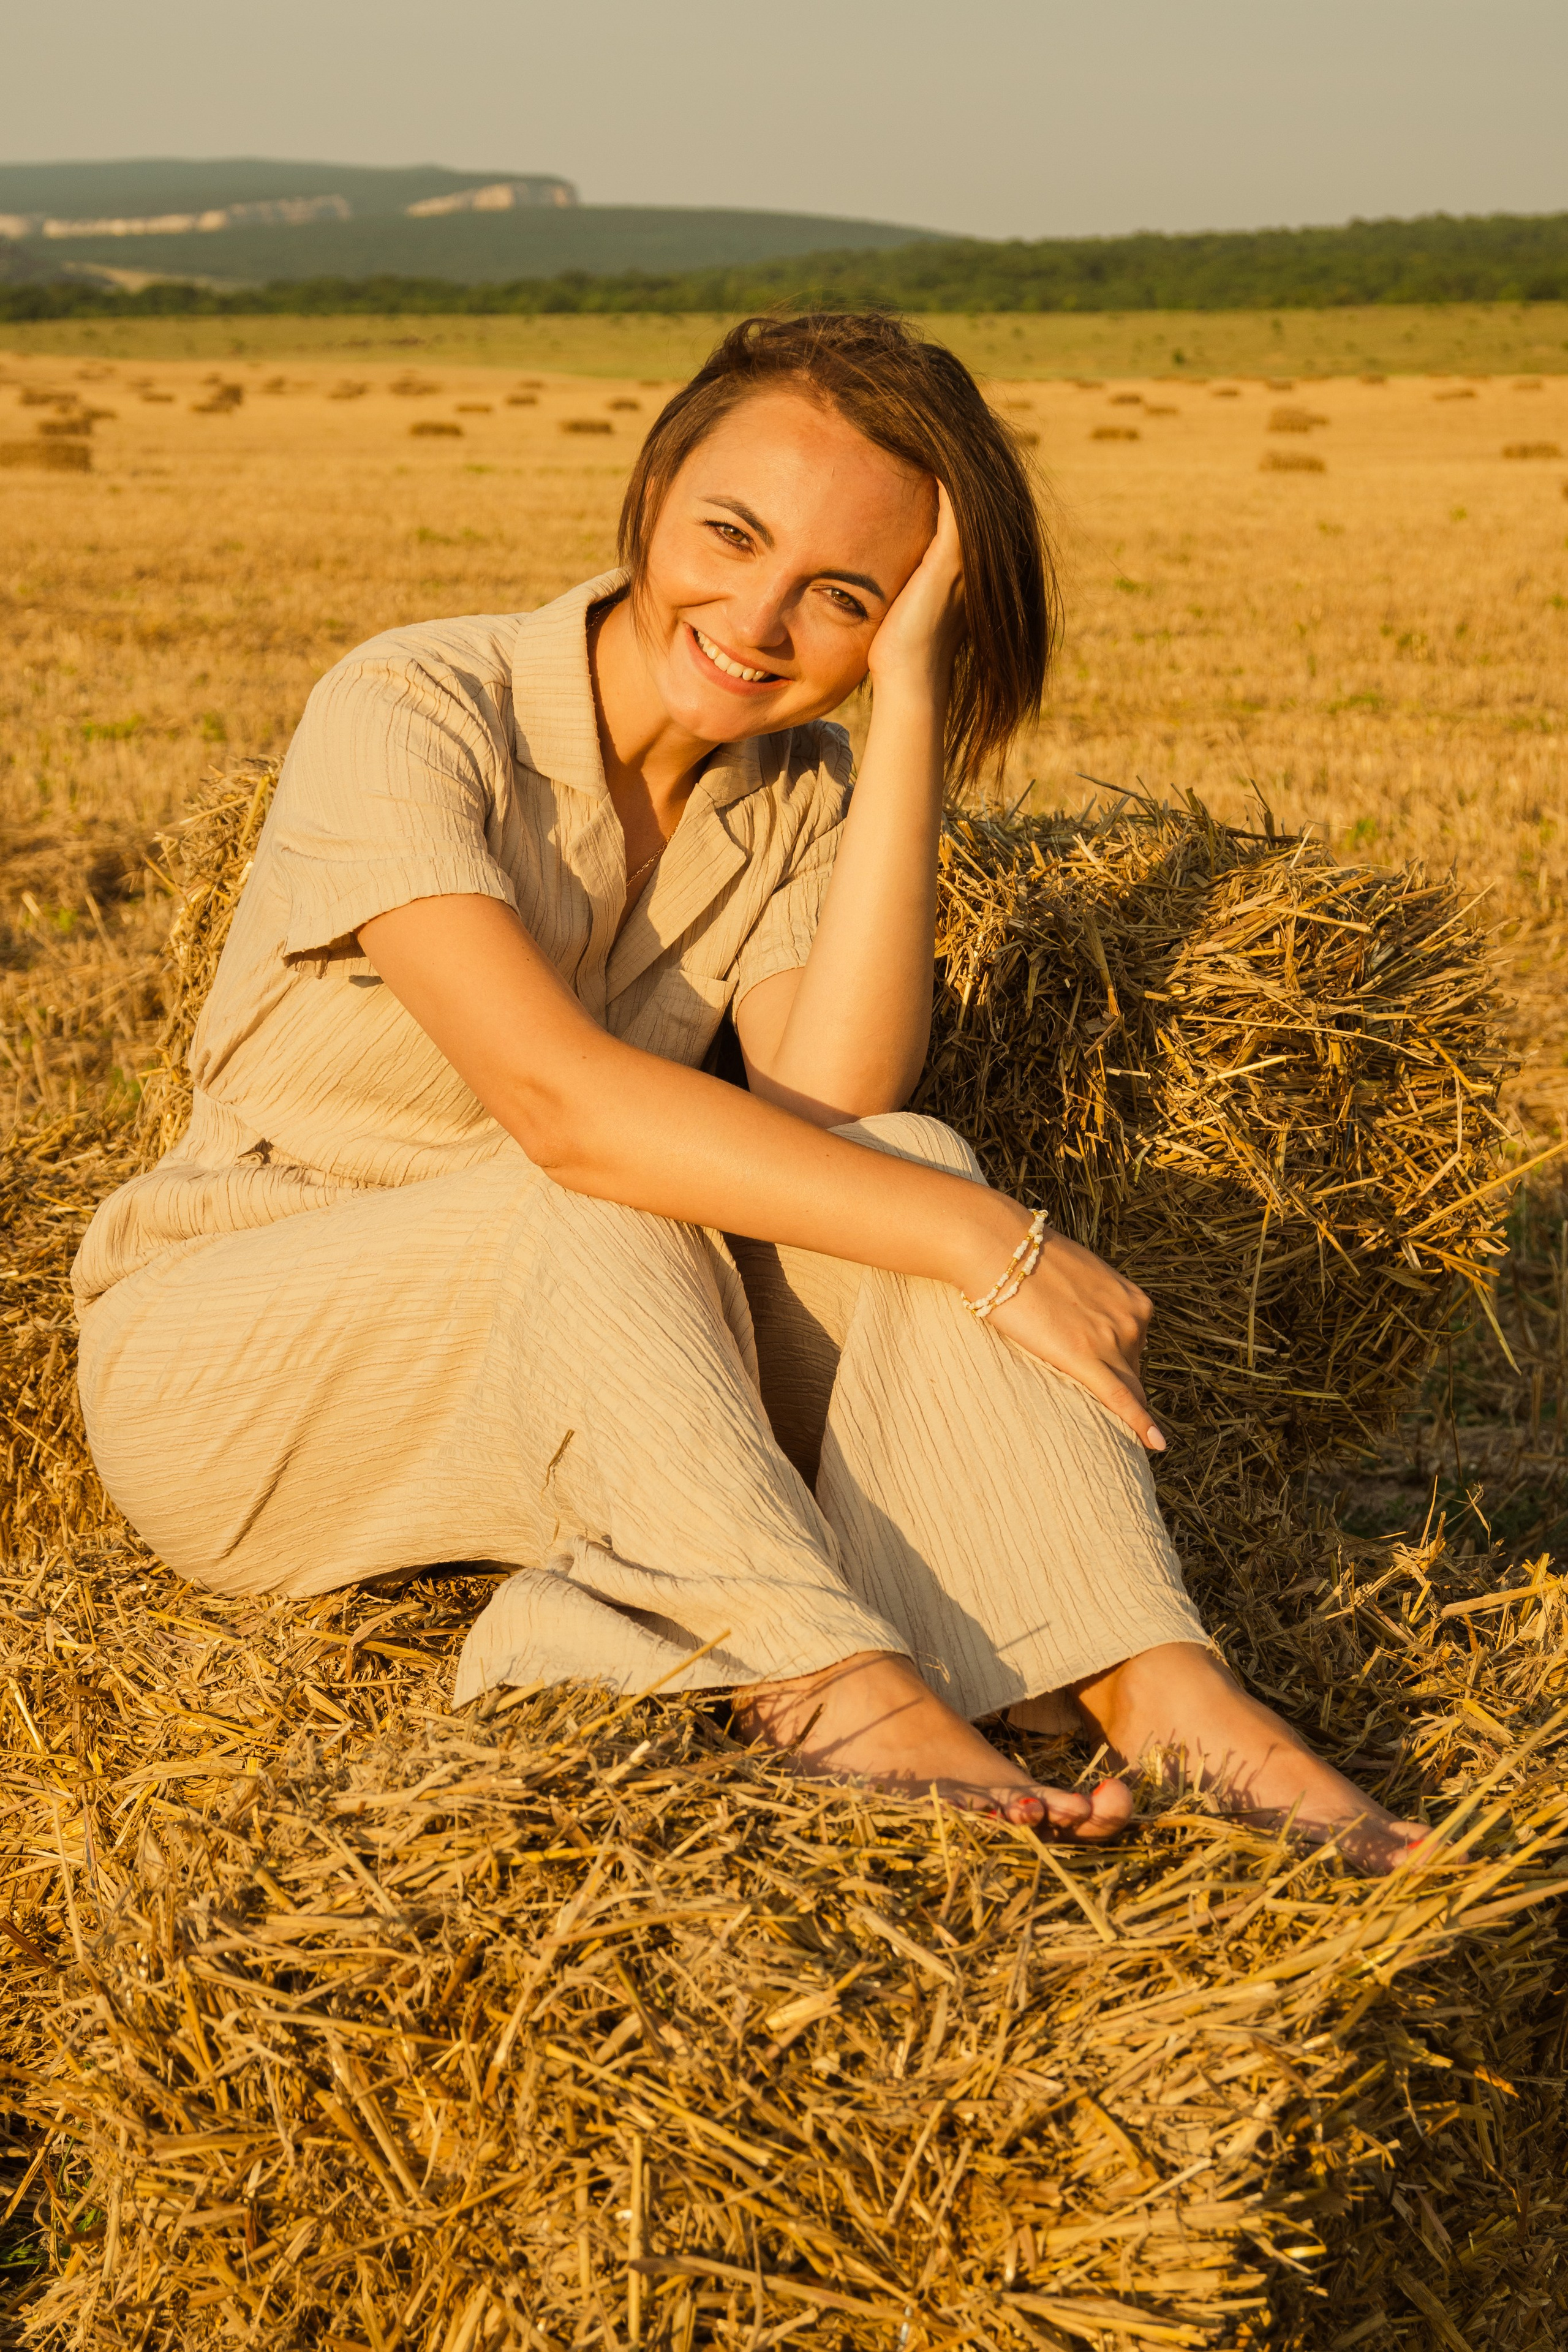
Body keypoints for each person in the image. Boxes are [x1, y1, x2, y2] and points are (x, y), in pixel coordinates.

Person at [73, 312, 1423, 1870]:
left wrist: (910, 695)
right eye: (731, 534)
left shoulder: (792, 793)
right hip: (241, 1363)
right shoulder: (414, 704)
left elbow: (831, 1097)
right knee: (680, 1202)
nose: (760, 619)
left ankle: (1156, 1687)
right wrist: (998, 1242)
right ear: (653, 491)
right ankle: (836, 1695)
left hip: (587, 1350)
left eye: (840, 597)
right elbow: (561, 1111)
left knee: (905, 1155)